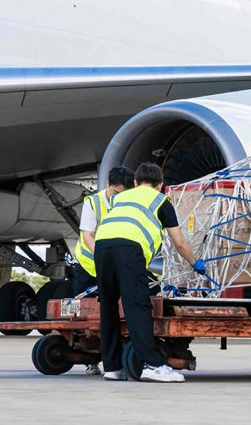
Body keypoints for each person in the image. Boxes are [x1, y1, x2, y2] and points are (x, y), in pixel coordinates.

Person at [94, 162, 205, 383]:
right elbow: (179, 242)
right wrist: (195, 263)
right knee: (137, 306)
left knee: (108, 307)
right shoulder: (161, 201)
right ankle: (152, 365)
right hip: (129, 248)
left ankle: (112, 367)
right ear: (161, 185)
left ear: (135, 183)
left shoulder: (119, 198)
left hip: (102, 247)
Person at [72, 166, 134, 375]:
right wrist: (105, 256)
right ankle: (90, 359)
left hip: (114, 265)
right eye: (115, 193)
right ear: (107, 185)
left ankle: (115, 357)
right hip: (89, 264)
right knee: (84, 317)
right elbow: (88, 235)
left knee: (112, 313)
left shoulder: (129, 203)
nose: (118, 198)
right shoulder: (93, 203)